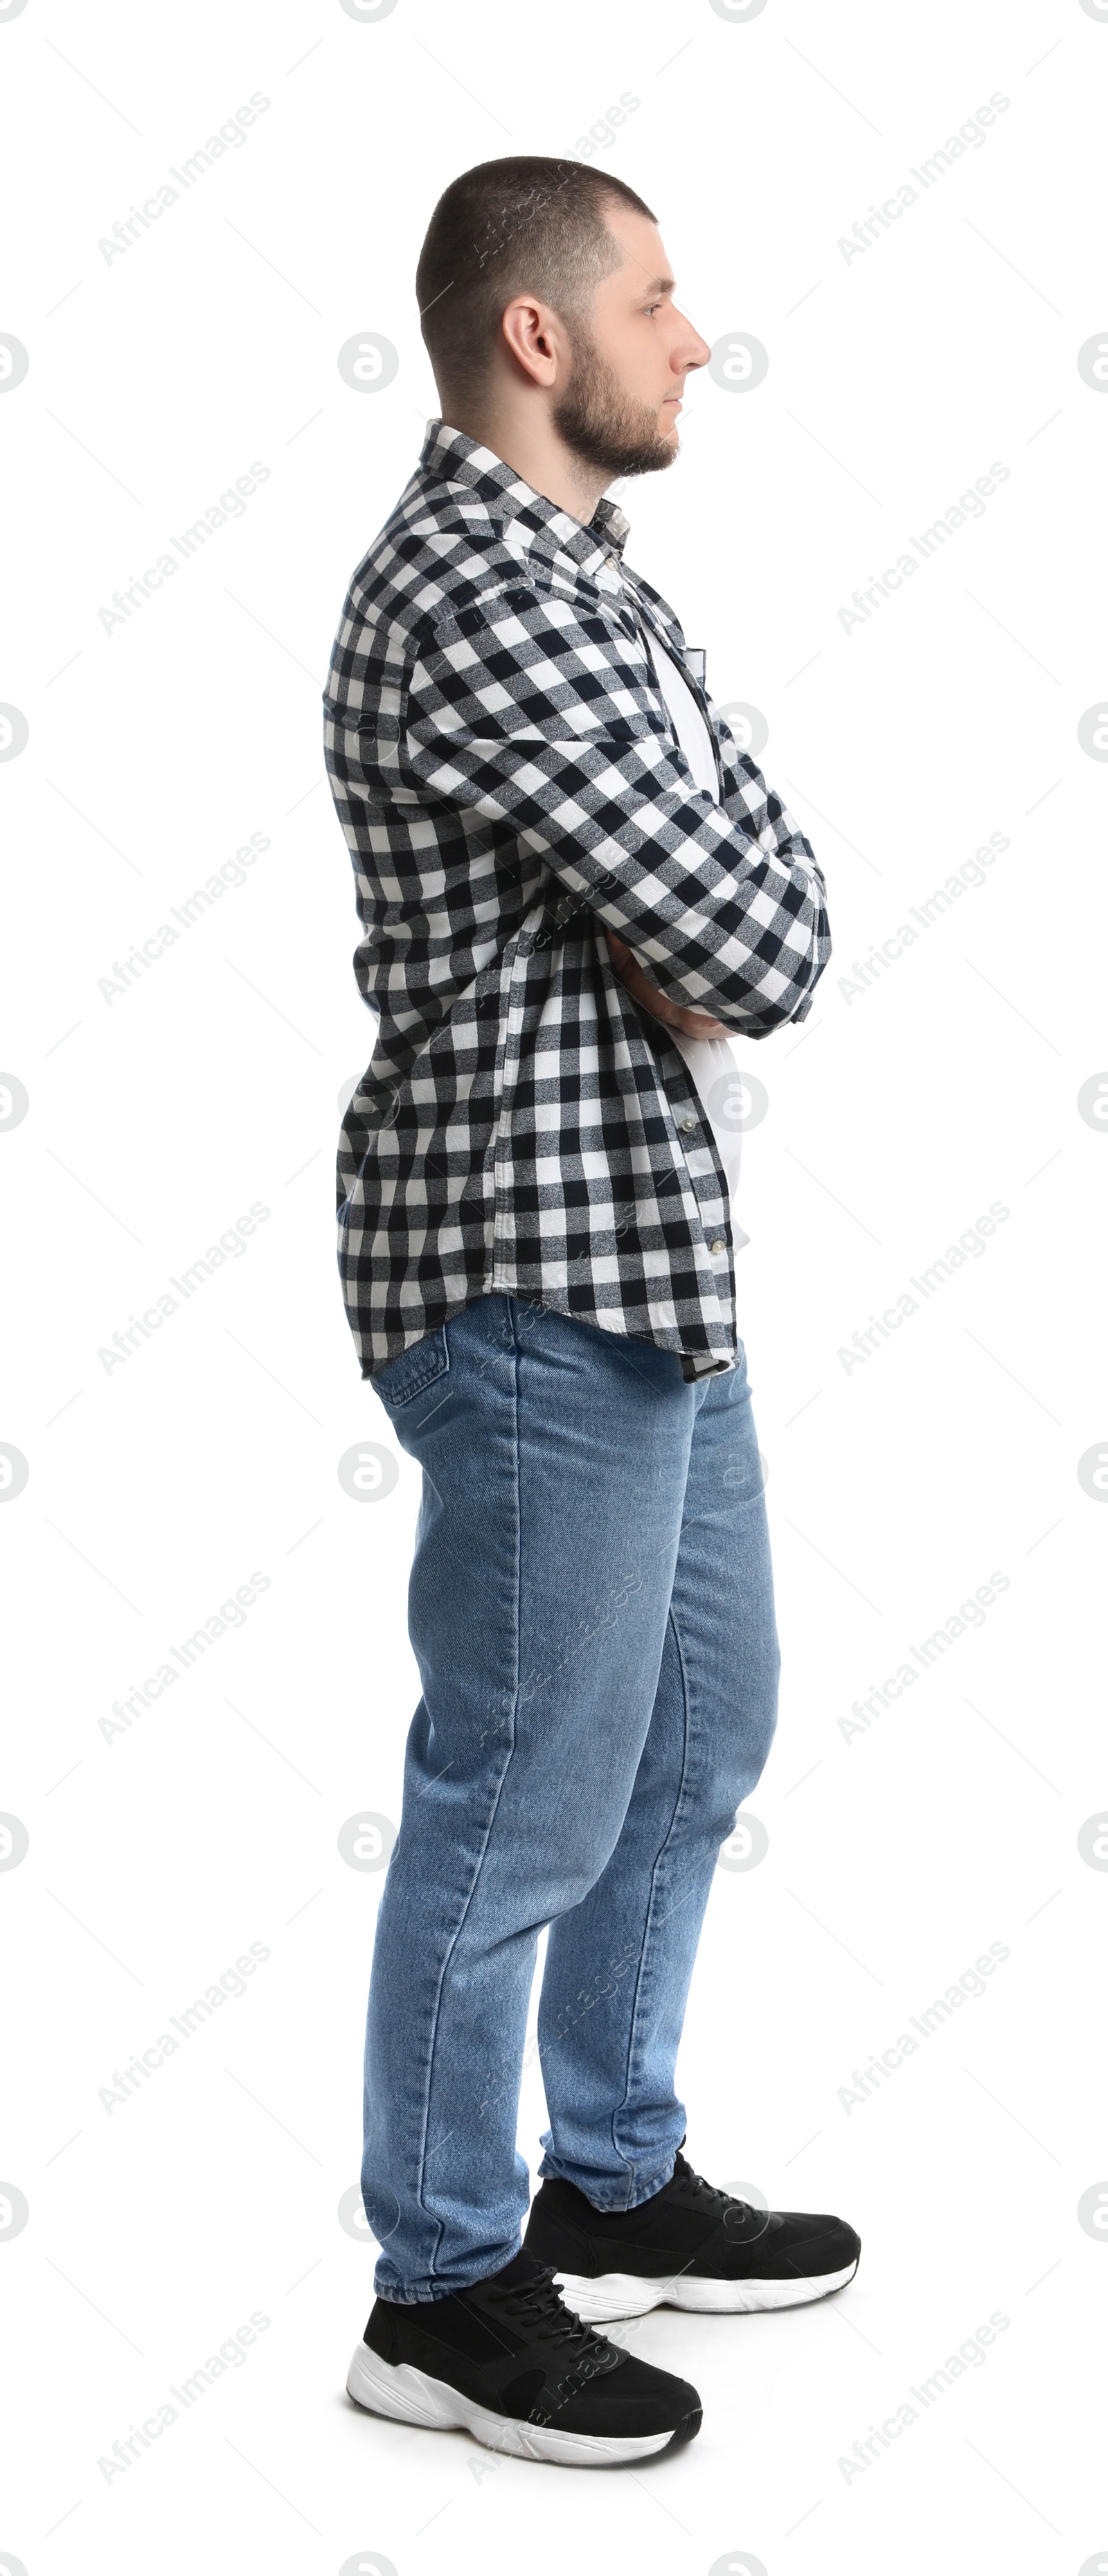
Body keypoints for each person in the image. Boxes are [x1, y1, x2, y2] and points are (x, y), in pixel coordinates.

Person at [324, 156, 857, 2470]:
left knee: (700, 1731)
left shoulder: (588, 584)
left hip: (649, 1270)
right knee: (520, 1791)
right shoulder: (480, 589)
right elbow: (752, 947)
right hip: (531, 1279)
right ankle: (442, 2289)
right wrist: (703, 916)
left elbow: (765, 888)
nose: (691, 334)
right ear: (534, 338)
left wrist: (707, 907)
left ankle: (613, 2177)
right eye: (654, 298)